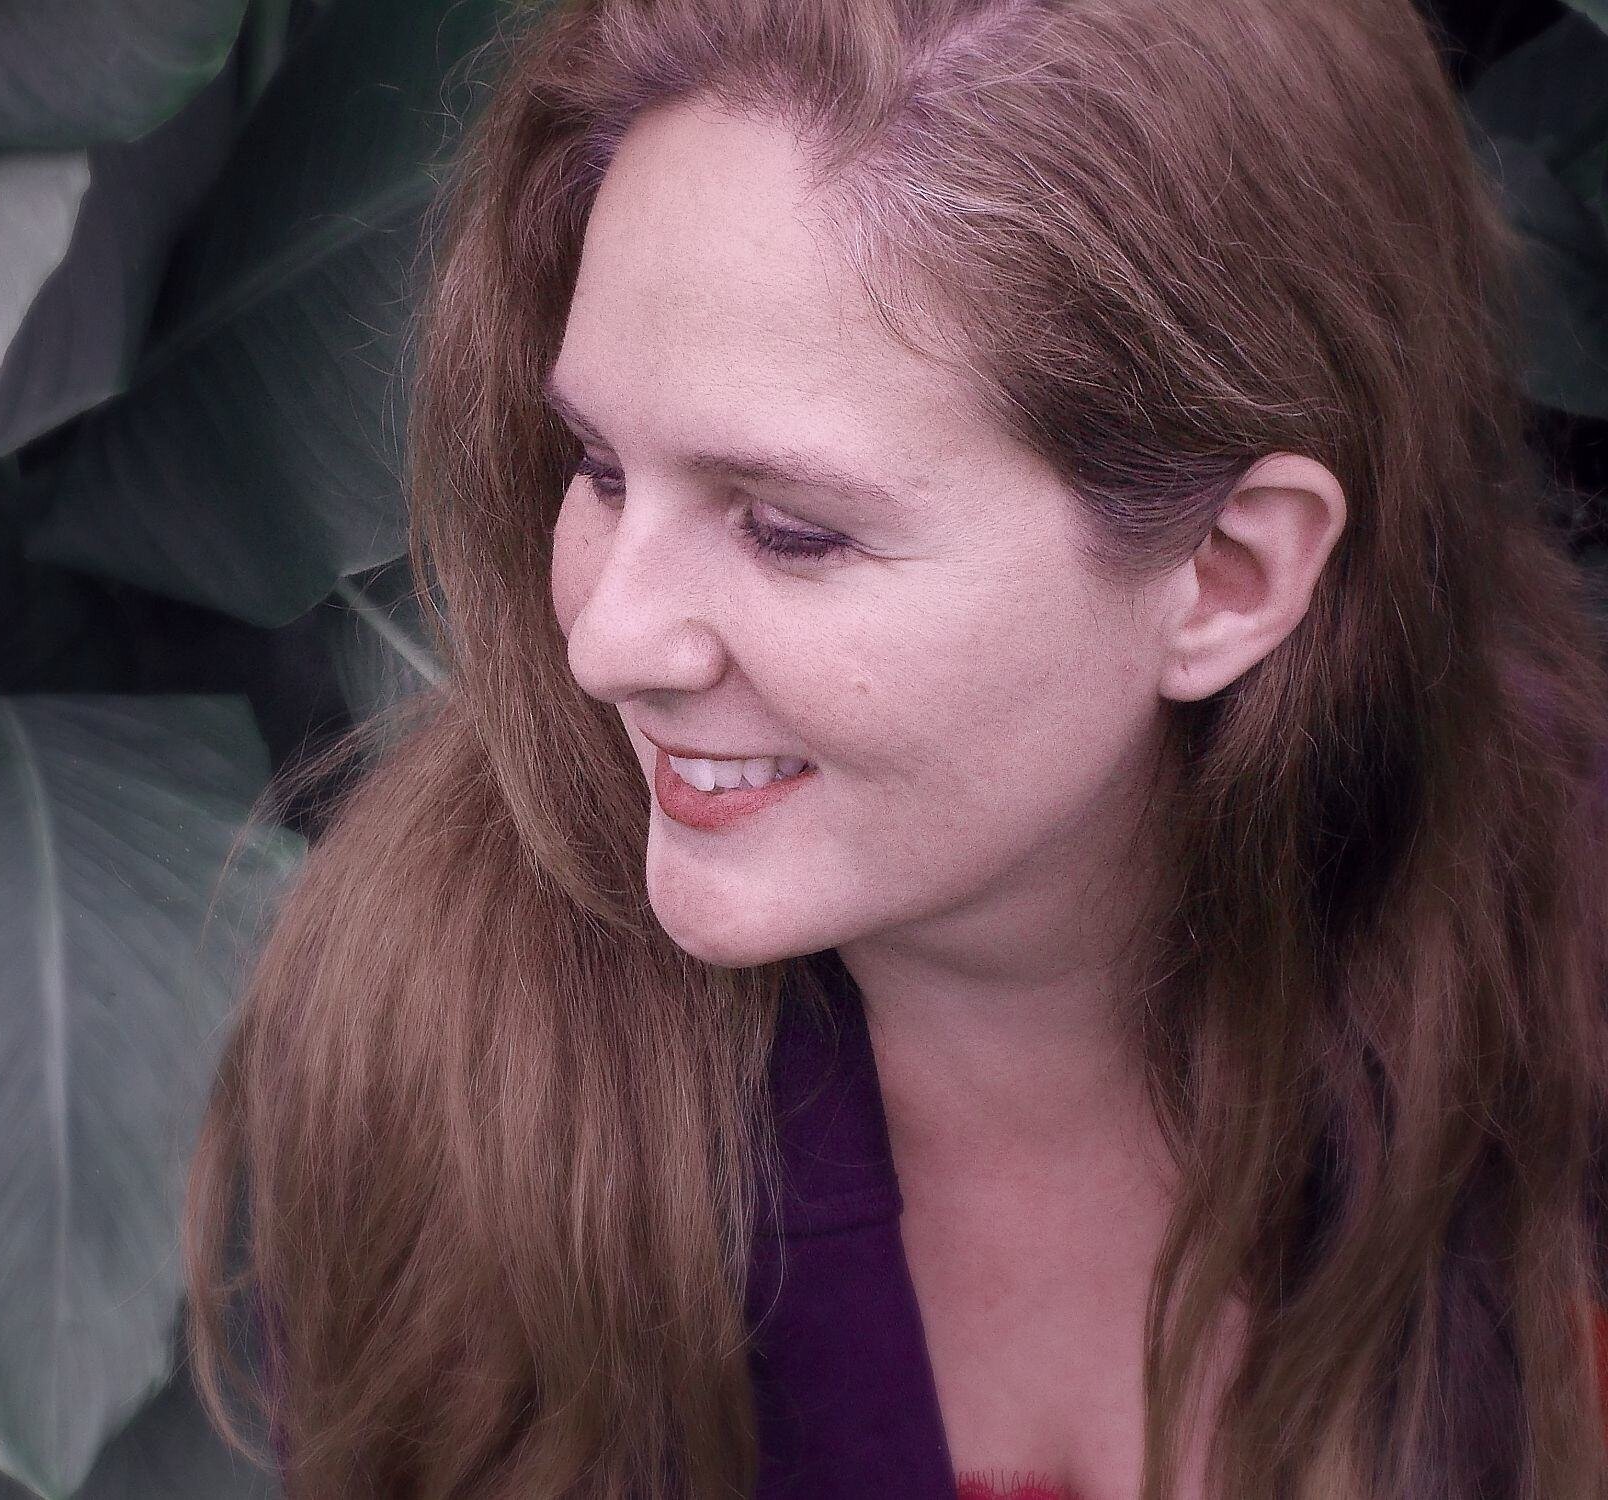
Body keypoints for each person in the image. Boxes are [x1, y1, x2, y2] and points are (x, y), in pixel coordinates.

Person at [183, 0, 1608, 1496]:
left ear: (1229, 575)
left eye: (789, 530)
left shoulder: (1554, 995)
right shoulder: (462, 1066)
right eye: (597, 468)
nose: (604, 643)